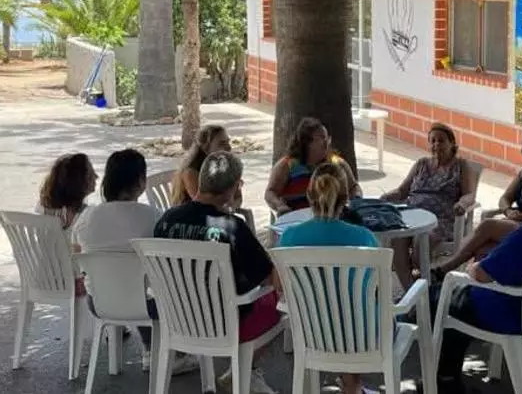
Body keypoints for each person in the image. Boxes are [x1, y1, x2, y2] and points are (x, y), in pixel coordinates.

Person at [432, 156, 522, 393]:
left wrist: (473, 265)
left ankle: (443, 380)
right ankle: (447, 377)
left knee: (440, 297)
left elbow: (481, 275)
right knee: (452, 301)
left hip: (511, 311)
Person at [154, 151, 279, 394]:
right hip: (225, 322)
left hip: (178, 317)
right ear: (234, 187)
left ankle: (238, 374)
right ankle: (244, 372)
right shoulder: (232, 227)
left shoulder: (166, 220)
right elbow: (268, 278)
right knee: (281, 302)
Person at [71, 148, 197, 373]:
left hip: (99, 303)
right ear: (140, 182)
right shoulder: (153, 216)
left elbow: (77, 254)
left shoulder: (86, 218)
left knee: (133, 284)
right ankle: (172, 352)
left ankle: (151, 349)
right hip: (146, 305)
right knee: (160, 287)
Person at [277, 162, 380, 394]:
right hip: (364, 338)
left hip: (312, 333)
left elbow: (278, 284)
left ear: (309, 195)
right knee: (357, 313)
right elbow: (378, 288)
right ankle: (353, 385)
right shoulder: (364, 237)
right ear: (346, 198)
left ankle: (350, 385)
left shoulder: (290, 237)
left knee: (341, 317)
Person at [429, 127, 522, 279]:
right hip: (516, 222)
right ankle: (471, 281)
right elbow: (504, 199)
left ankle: (446, 269)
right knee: (481, 248)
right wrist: (508, 211)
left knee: (487, 225)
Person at [381, 122, 480, 289]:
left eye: (441, 141)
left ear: (452, 143)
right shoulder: (421, 164)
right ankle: (412, 292)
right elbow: (402, 191)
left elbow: (469, 194)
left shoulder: (461, 166)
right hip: (412, 215)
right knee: (396, 241)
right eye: (433, 141)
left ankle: (425, 287)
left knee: (421, 244)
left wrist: (462, 204)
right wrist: (384, 198)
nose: (436, 145)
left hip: (440, 220)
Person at [266, 117, 359, 215]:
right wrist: (280, 206)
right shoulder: (287, 165)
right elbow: (270, 192)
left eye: (327, 138)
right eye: (322, 137)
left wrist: (356, 200)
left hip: (333, 218)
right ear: (307, 142)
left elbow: (354, 187)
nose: (326, 142)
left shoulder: (337, 163)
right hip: (296, 219)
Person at [172, 124, 234, 206]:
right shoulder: (191, 172)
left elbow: (235, 199)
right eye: (222, 143)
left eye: (228, 142)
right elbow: (202, 205)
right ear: (205, 148)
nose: (229, 147)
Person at [36, 153, 98, 231]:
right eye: (90, 174)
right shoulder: (87, 216)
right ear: (78, 182)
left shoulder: (42, 208)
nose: (96, 176)